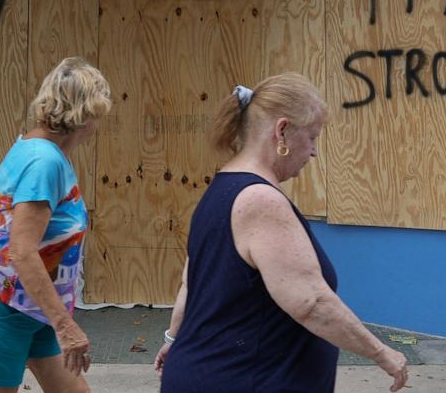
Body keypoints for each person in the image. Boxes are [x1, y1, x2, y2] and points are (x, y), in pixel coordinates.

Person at [154, 73, 409, 393]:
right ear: (282, 131)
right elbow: (311, 302)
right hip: (243, 380)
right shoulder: (260, 201)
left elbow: (191, 284)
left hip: (207, 373)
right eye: (312, 137)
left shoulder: (220, 190)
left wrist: (174, 340)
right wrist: (382, 353)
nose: (314, 152)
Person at [0, 57, 111, 393]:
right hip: (1, 306)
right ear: (87, 115)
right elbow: (22, 252)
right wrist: (65, 324)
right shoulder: (43, 161)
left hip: (33, 307)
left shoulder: (48, 154)